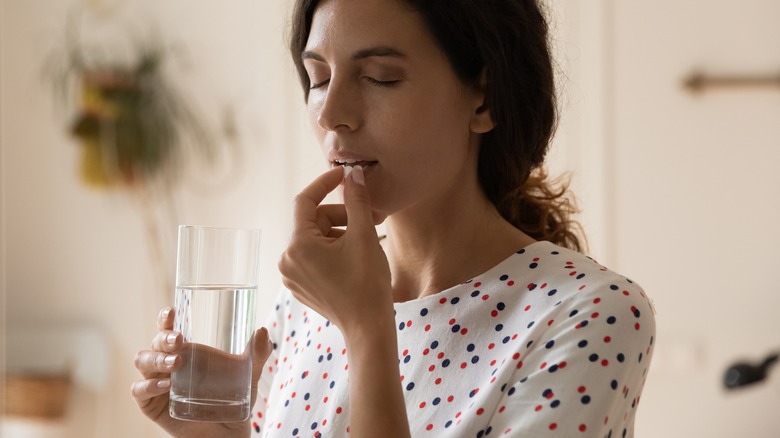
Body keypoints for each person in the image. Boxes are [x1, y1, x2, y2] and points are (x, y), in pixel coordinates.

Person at [131, 0, 656, 436]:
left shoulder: (591, 313)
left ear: (485, 99)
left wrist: (366, 328)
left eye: (380, 77)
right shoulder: (307, 304)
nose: (332, 112)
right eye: (318, 77)